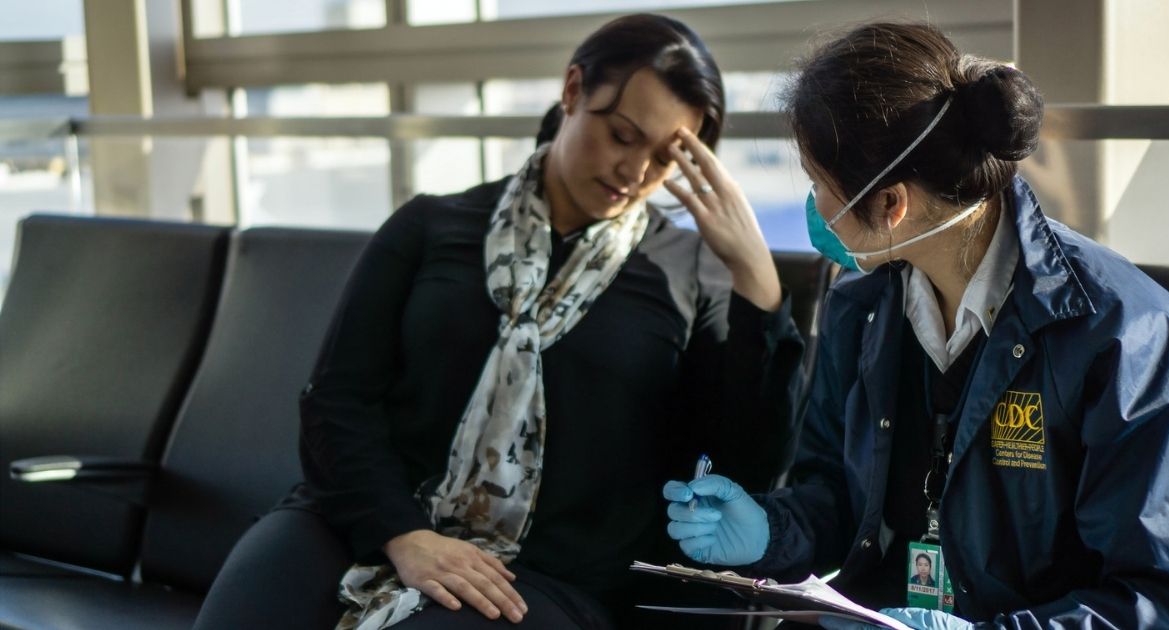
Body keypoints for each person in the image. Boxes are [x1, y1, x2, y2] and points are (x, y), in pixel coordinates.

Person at [194, 13, 804, 630]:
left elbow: (741, 464)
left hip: (546, 572)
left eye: (664, 158)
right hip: (364, 519)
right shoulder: (431, 226)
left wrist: (758, 281)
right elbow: (336, 400)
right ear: (572, 92)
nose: (636, 173)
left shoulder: (691, 274)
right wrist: (403, 535)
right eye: (622, 135)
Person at [663, 22, 1169, 629]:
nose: (815, 207)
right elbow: (838, 498)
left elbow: (1164, 600)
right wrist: (770, 530)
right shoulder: (860, 308)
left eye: (819, 185)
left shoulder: (1121, 338)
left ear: (891, 204)